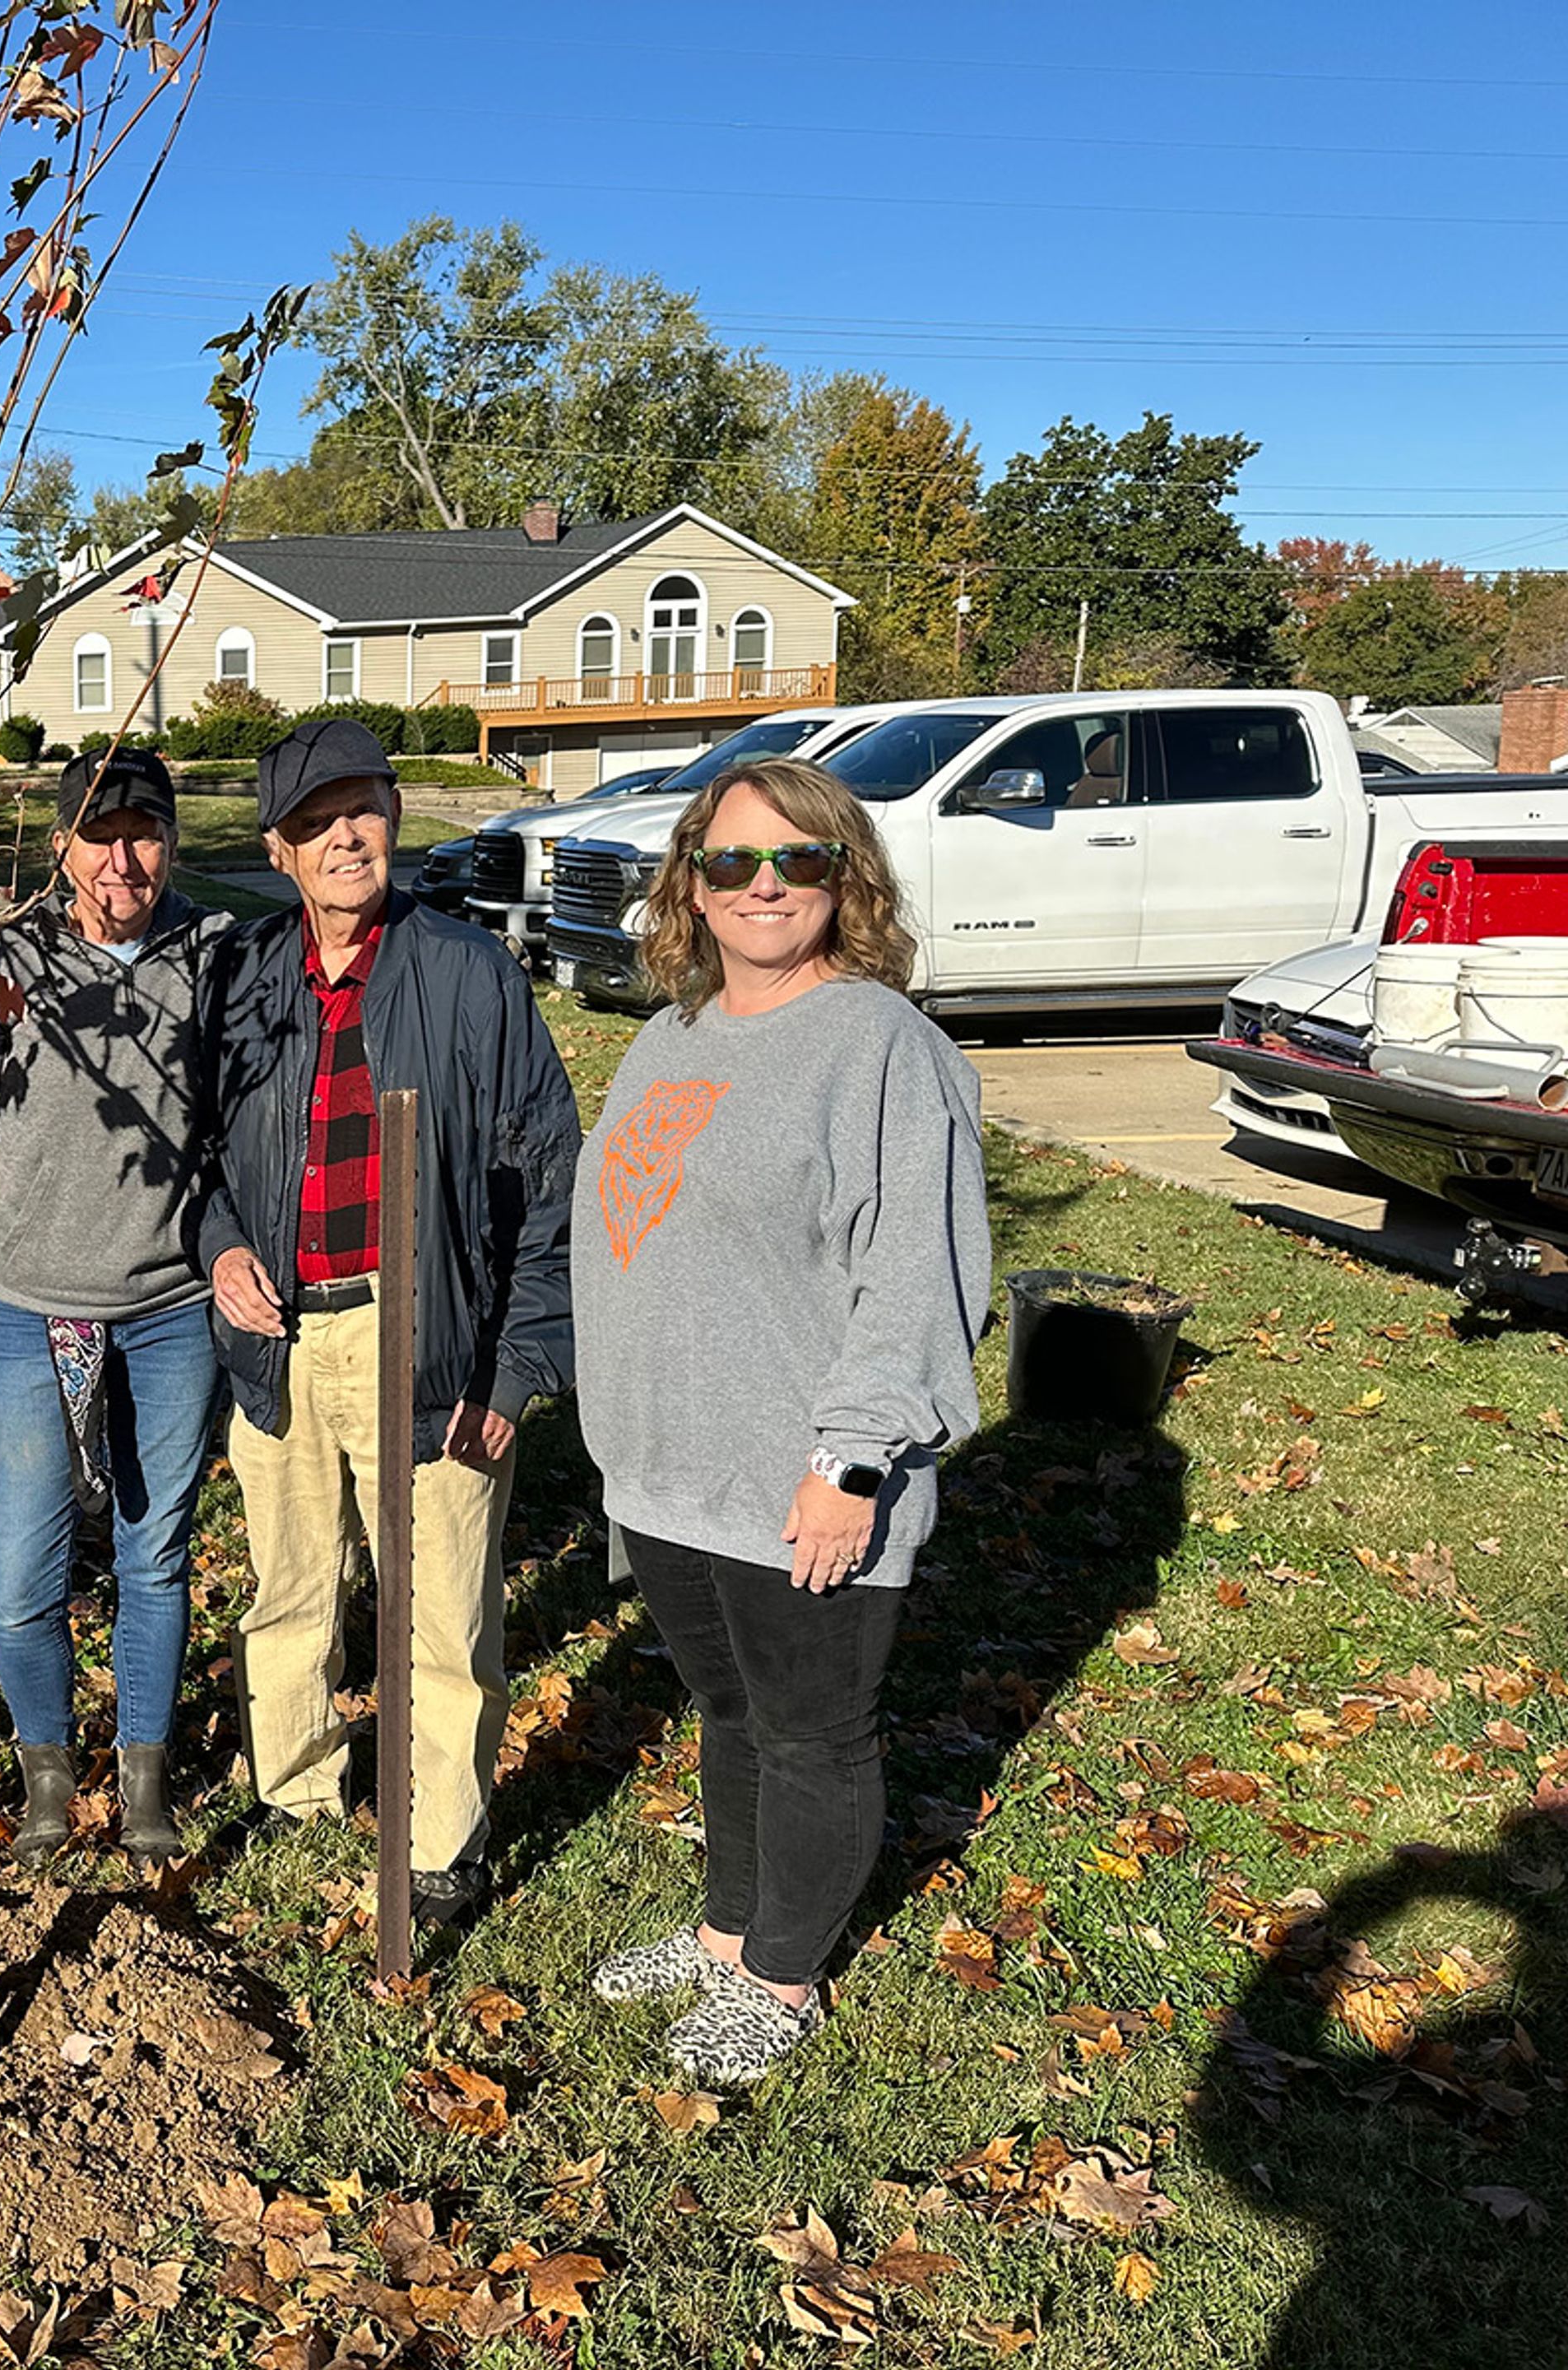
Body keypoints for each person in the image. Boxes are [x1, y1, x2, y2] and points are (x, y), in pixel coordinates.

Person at [570, 753, 990, 2084]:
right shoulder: (675, 1029)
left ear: (844, 879)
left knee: (812, 1729)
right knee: (729, 1709)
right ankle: (725, 1933)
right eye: (734, 861)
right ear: (689, 883)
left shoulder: (880, 1047)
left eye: (797, 861)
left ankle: (784, 1974)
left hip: (801, 1473)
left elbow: (918, 1275)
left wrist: (851, 1463)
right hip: (671, 1469)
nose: (764, 887)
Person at [196, 718, 580, 1926]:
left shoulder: (467, 974)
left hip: (426, 1335)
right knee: (291, 1585)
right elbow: (196, 1155)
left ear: (395, 817)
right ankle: (299, 1783)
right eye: (315, 822)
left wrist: (512, 1370)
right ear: (279, 850)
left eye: (360, 808)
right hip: (282, 1339)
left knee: (443, 1607)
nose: (343, 836)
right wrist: (219, 1252)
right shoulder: (246, 976)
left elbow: (547, 1174)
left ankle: (443, 1837)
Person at [0, 747, 228, 1867]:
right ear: (60, 843)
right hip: (31, 1308)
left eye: (145, 831)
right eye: (98, 832)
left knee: (155, 1553)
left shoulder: (214, 957)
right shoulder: (2, 963)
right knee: (20, 1572)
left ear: (171, 841)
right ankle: (50, 1777)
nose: (123, 857)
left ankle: (148, 1776)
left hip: (170, 1306)